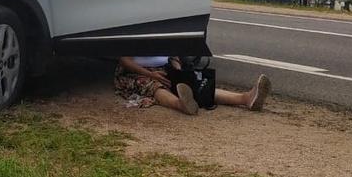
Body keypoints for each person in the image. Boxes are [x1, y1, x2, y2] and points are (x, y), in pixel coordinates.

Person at [115, 56, 271, 115]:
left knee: (195, 84)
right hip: (138, 73)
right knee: (154, 87)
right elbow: (124, 61)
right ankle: (181, 104)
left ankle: (245, 98)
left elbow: (173, 55)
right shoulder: (136, 27)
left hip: (163, 68)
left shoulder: (164, 28)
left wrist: (177, 67)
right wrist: (150, 74)